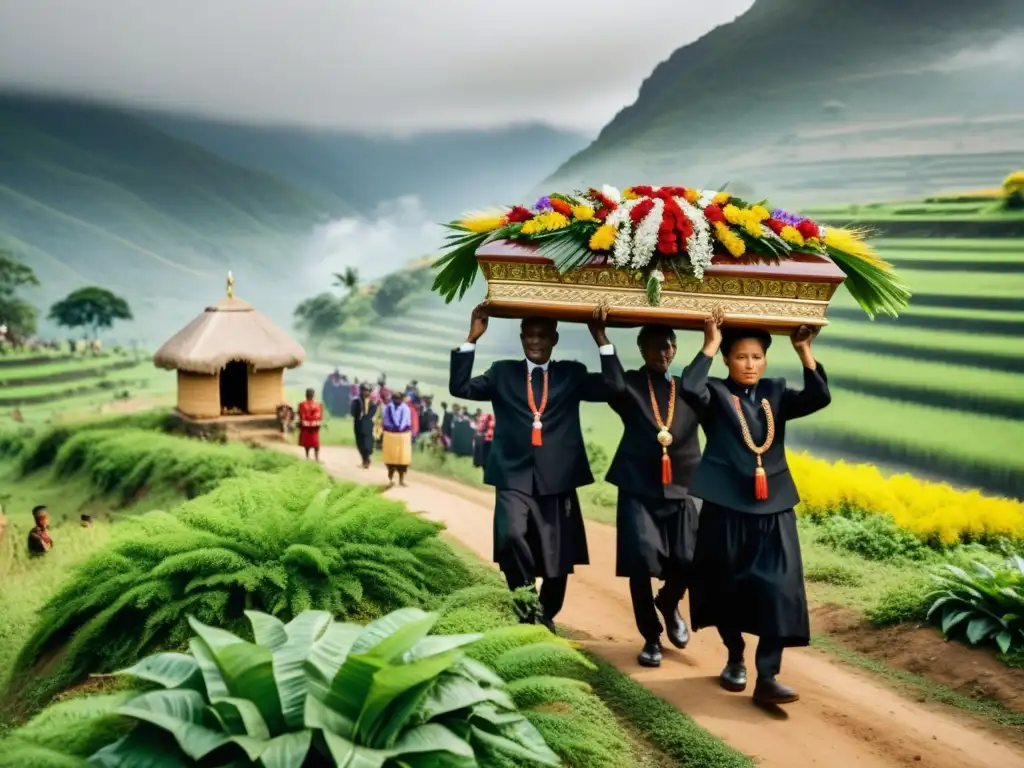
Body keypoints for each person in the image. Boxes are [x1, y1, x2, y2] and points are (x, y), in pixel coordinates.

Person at [681, 309, 831, 706]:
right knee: (725, 588)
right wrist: (709, 344)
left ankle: (768, 676)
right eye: (741, 356)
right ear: (728, 359)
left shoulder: (776, 392)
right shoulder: (713, 391)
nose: (750, 364)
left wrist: (804, 350)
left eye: (757, 357)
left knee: (780, 589)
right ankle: (734, 656)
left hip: (775, 507)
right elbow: (689, 389)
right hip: (726, 507)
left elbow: (819, 397)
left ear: (766, 359)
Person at [449, 302, 624, 631]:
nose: (535, 341)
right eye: (529, 335)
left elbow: (615, 387)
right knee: (512, 536)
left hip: (558, 478)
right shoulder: (502, 373)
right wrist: (472, 338)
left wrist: (601, 338)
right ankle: (526, 602)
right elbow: (460, 388)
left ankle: (544, 613)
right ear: (521, 338)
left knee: (557, 556)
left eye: (543, 336)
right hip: (512, 474)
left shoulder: (571, 374)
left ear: (554, 339)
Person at [604, 325, 702, 668]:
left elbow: (705, 379)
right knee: (641, 563)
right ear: (642, 347)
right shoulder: (630, 384)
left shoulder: (689, 389)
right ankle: (651, 637)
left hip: (684, 486)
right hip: (638, 487)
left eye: (670, 346)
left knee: (688, 561)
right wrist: (601, 336)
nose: (665, 352)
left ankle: (669, 601)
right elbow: (612, 386)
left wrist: (712, 340)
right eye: (658, 346)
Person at [381, 390, 413, 486]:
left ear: (402, 399)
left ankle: (401, 479)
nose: (396, 400)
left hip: (402, 436)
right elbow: (386, 420)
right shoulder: (388, 408)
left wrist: (400, 428)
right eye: (394, 398)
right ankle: (390, 478)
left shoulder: (406, 408)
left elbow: (405, 421)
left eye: (398, 398)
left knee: (402, 459)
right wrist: (392, 427)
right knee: (390, 458)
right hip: (391, 435)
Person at [350, 382, 378, 469]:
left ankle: (367, 459)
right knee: (360, 442)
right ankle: (364, 460)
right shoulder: (356, 401)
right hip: (358, 423)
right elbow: (352, 412)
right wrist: (359, 415)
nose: (367, 392)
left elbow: (372, 413)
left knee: (367, 442)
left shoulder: (373, 403)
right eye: (365, 390)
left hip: (368, 423)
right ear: (361, 391)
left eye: (369, 391)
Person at [297, 388, 324, 461]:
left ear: (306, 395)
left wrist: (306, 420)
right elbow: (319, 416)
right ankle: (316, 458)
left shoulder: (301, 404)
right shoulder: (318, 405)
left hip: (306, 426)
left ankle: (307, 457)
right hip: (314, 426)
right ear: (313, 395)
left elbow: (301, 415)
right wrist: (313, 420)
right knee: (315, 442)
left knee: (307, 442)